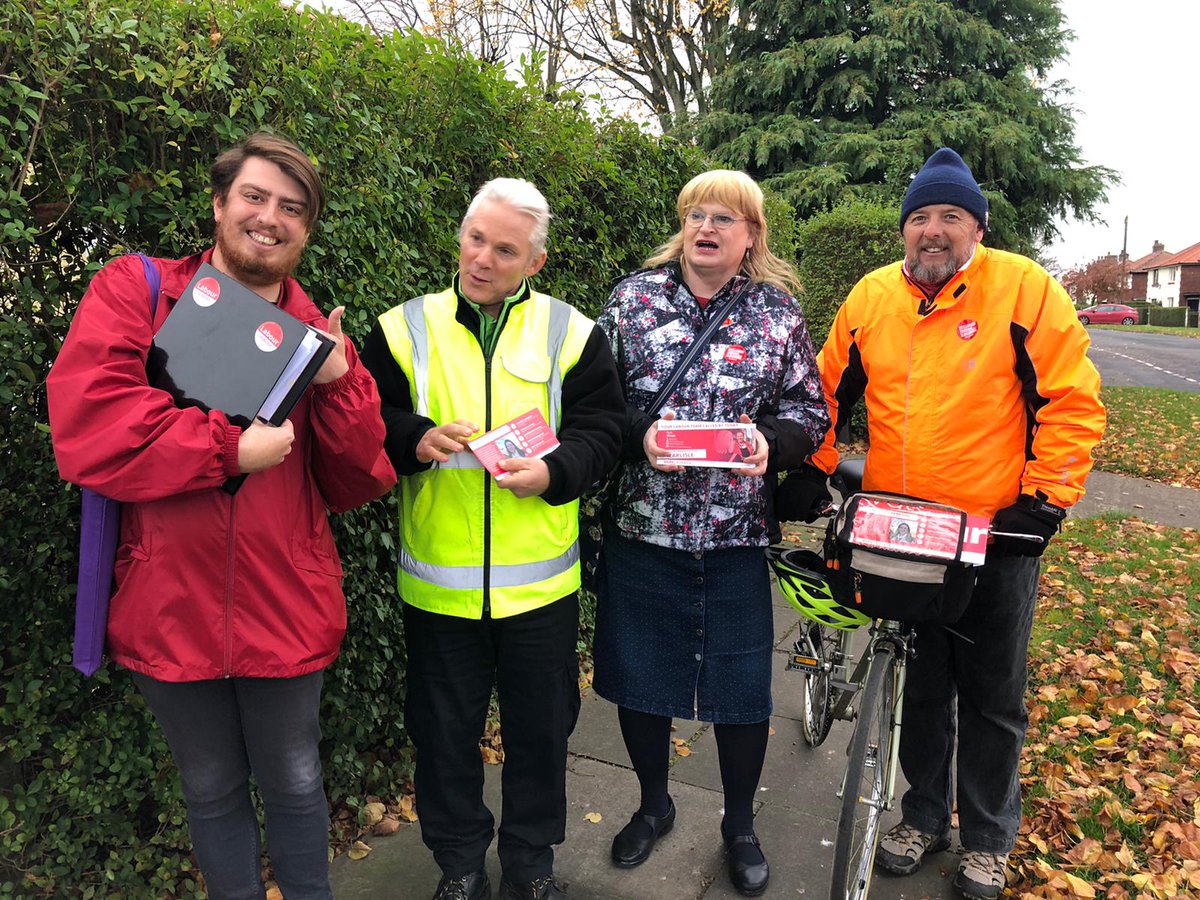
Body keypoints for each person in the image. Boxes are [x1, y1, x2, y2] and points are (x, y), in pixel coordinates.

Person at [47, 132, 397, 900]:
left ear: (306, 230)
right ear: (218, 204)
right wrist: (228, 449)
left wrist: (340, 382)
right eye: (255, 197)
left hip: (286, 600)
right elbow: (92, 425)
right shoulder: (136, 291)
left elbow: (357, 478)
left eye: (292, 208)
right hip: (168, 598)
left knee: (297, 782)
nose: (270, 217)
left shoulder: (314, 334)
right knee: (208, 789)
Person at [789, 147, 1106, 900]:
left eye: (951, 217)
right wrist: (811, 464)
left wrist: (1044, 500)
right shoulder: (871, 297)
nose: (933, 230)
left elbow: (1069, 399)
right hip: (903, 532)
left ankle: (988, 840)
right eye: (921, 217)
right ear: (905, 228)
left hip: (994, 534)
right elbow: (825, 390)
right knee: (922, 686)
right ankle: (923, 816)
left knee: (993, 695)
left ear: (977, 228)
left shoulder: (1024, 290)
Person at [360, 178, 624, 900]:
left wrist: (556, 471)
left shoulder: (572, 333)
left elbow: (604, 432)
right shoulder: (400, 328)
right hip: (439, 585)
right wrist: (413, 437)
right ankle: (459, 866)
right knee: (443, 736)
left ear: (535, 262)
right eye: (476, 238)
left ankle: (532, 864)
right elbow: (366, 418)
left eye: (505, 250)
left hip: (540, 589)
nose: (482, 258)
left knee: (541, 732)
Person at [592, 170, 830, 897]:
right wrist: (640, 435)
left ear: (751, 234)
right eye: (696, 213)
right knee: (642, 680)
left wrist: (772, 444)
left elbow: (810, 411)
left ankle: (739, 824)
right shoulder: (632, 301)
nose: (706, 227)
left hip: (734, 536)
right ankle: (654, 804)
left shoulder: (776, 313)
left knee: (742, 689)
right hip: (644, 528)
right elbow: (591, 403)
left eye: (725, 217)